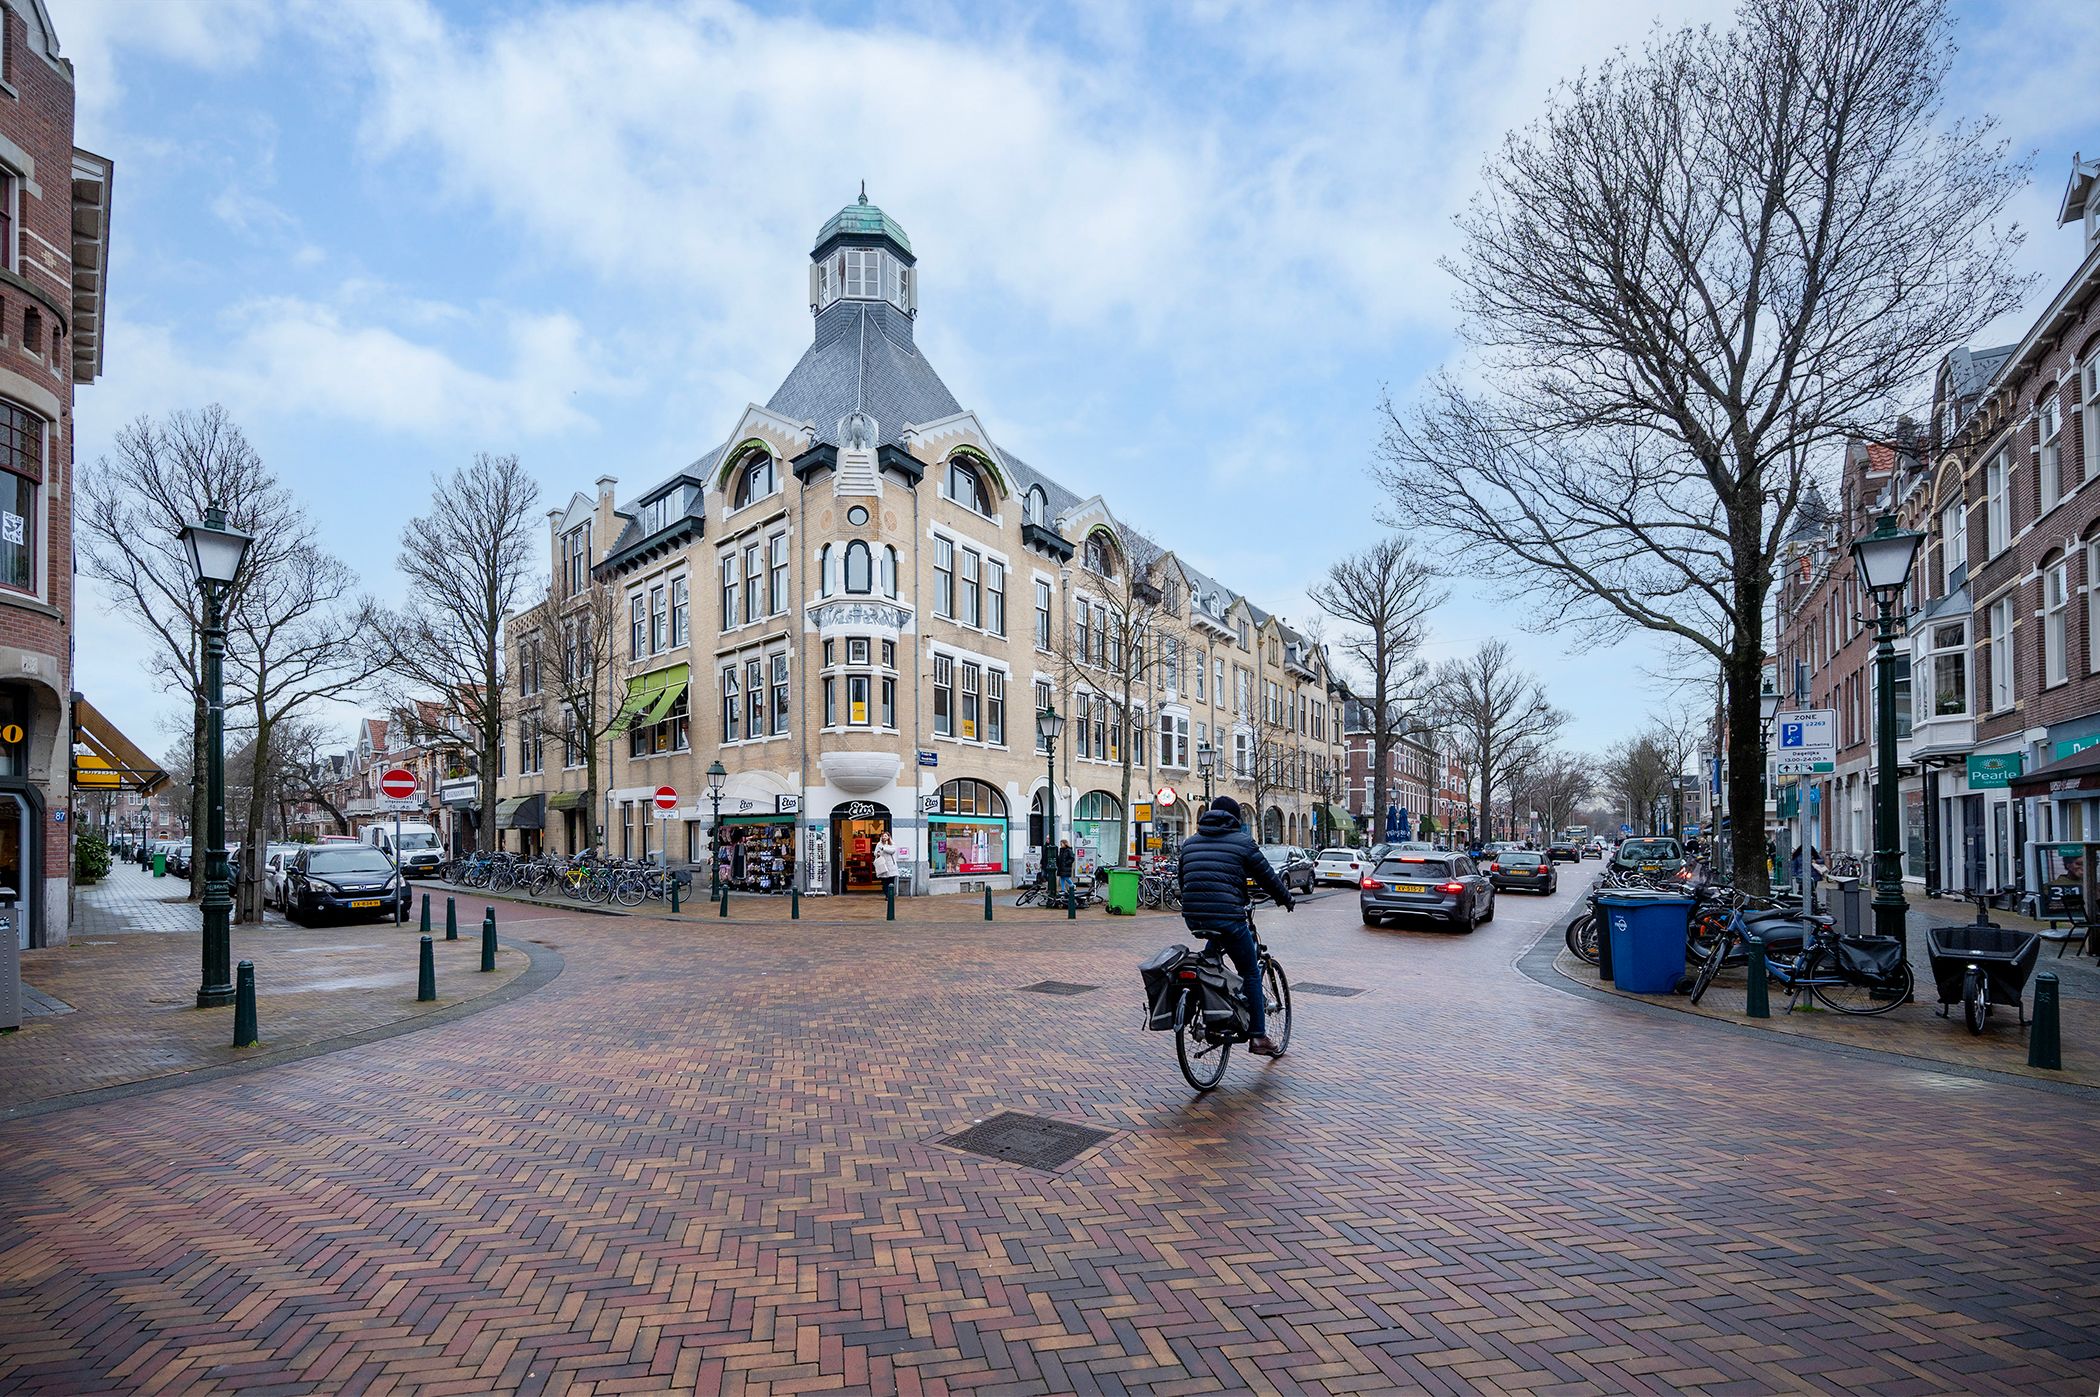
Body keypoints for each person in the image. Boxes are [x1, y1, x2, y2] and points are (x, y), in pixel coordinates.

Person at [1178, 795, 1295, 1058]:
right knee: (1250, 972)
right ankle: (1258, 1036)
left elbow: (1182, 880)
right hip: (1228, 917)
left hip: (1194, 917)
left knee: (1212, 958)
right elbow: (1267, 877)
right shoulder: (1242, 842)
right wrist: (1286, 899)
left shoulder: (1190, 843)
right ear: (1235, 819)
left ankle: (1216, 1006)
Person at [873, 831, 898, 899]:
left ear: (889, 837)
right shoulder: (879, 844)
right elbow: (875, 852)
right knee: (884, 882)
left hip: (891, 865)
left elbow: (892, 851)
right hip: (882, 865)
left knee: (891, 881)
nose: (884, 837)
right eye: (883, 836)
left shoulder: (892, 843)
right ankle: (887, 895)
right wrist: (877, 853)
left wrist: (883, 848)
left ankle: (890, 895)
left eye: (885, 836)